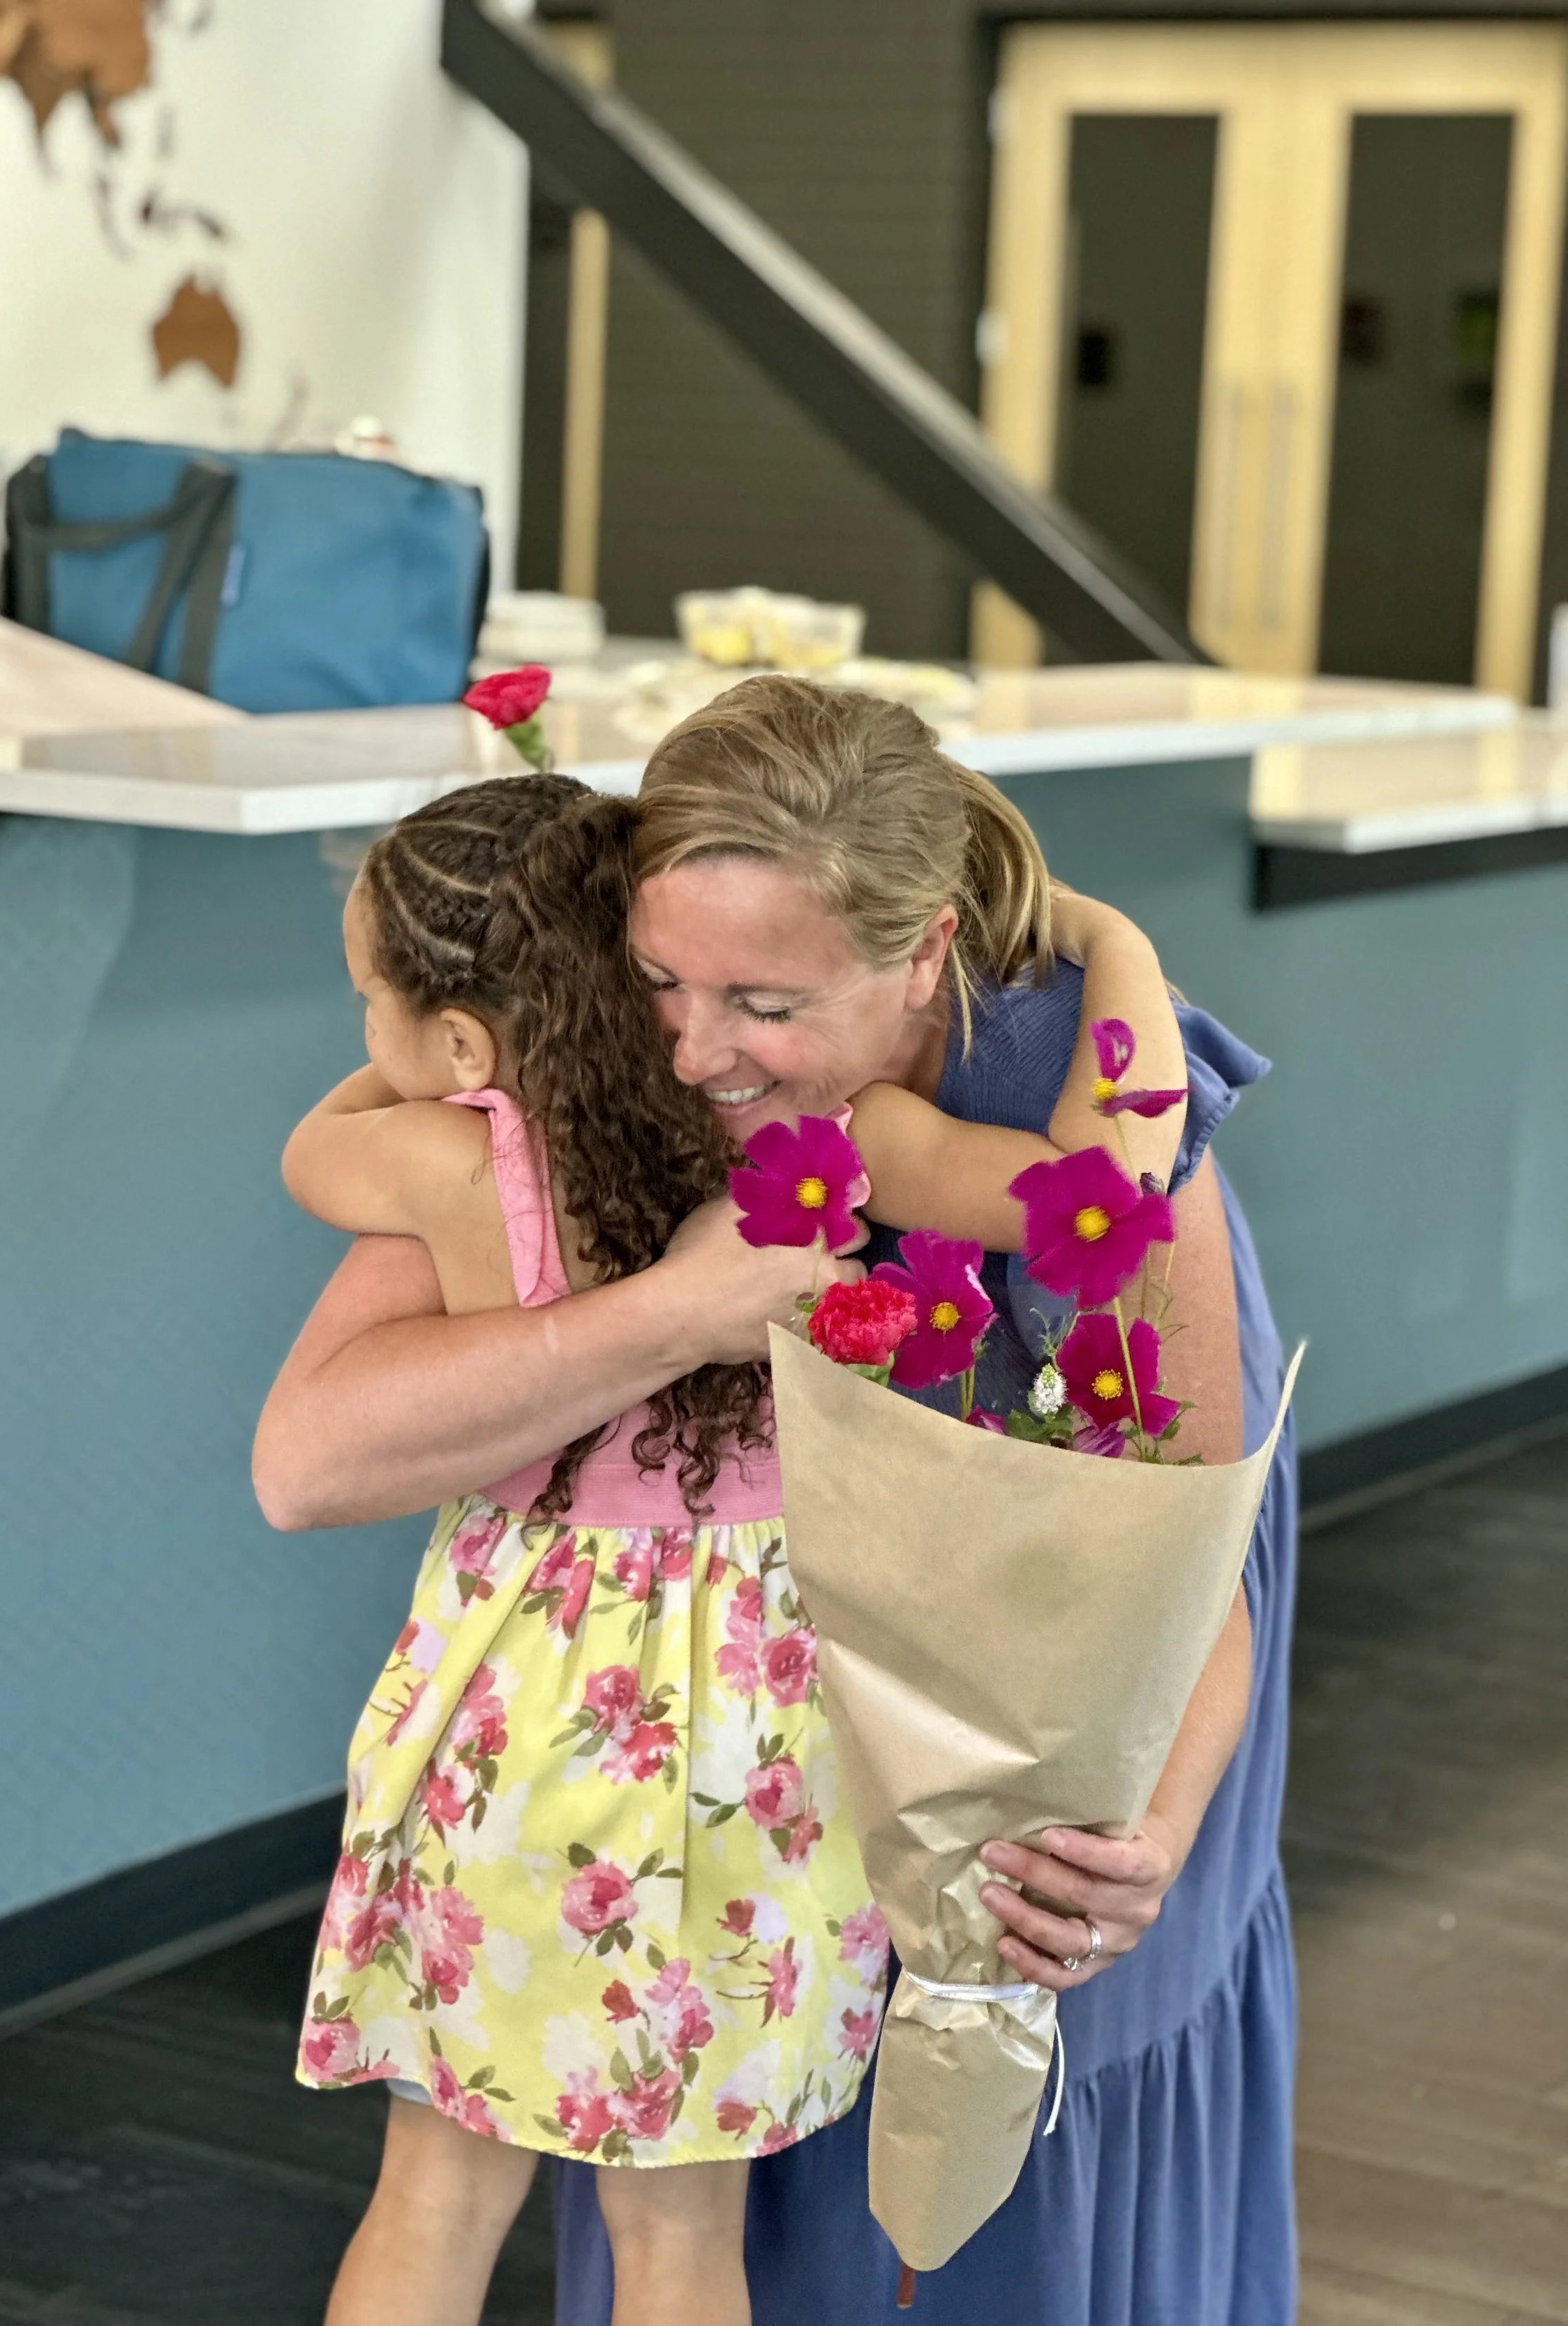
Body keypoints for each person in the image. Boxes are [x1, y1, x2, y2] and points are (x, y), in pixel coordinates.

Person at [255, 678, 1292, 2326]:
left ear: (922, 954)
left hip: (1068, 1727)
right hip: (769, 1792)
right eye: (659, 979)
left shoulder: (1055, 1116)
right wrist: (669, 1306)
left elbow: (1174, 1558)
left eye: (762, 1003)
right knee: (683, 2221)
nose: (691, 1048)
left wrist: (1142, 1837)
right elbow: (308, 1458)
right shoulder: (598, 1051)